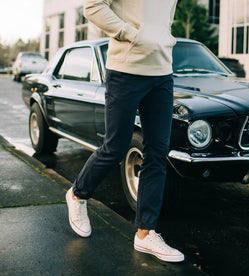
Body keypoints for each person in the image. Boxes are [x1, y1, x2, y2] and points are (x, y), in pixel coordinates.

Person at [66, 0, 184, 263]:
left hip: (163, 72)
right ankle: (77, 194)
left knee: (157, 152)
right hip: (125, 70)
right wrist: (131, 34)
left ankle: (145, 233)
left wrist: (163, 39)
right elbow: (93, 7)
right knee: (116, 146)